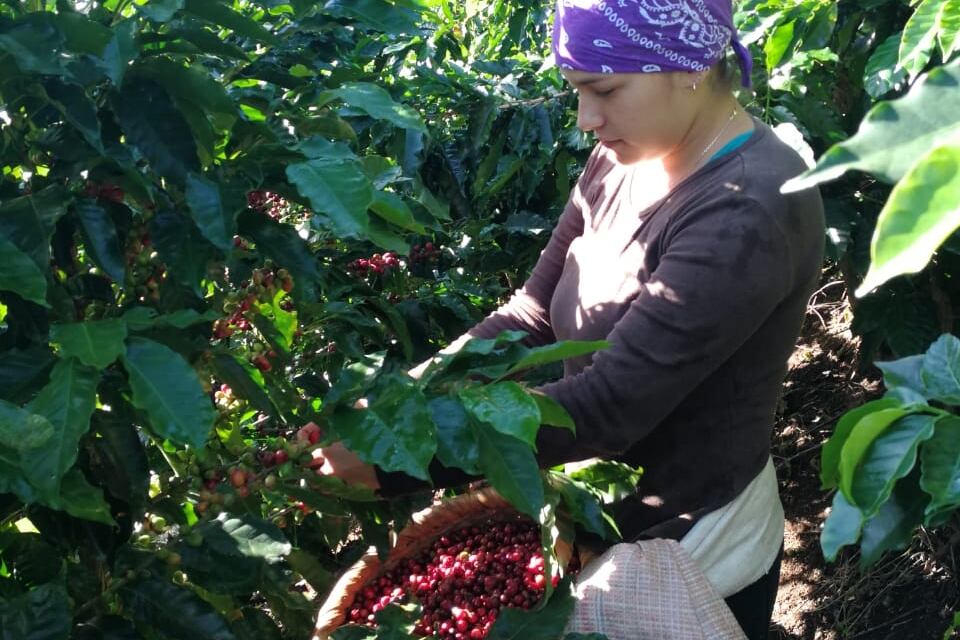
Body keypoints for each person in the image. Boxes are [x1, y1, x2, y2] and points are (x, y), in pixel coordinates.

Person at [313, 1, 825, 637]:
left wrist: (402, 458)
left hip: (689, 544)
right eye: (577, 91)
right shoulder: (625, 155)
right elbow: (531, 313)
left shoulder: (749, 207)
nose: (587, 119)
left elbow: (609, 408)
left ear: (686, 66)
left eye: (603, 89)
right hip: (589, 513)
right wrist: (399, 404)